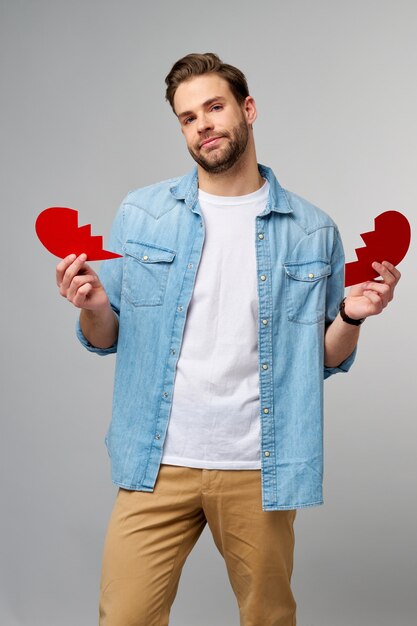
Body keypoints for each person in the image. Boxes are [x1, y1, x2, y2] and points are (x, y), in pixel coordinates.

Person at [55, 53, 401, 626]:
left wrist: (352, 315)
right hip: (156, 462)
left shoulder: (312, 230)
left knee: (268, 618)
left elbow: (321, 359)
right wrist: (92, 306)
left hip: (258, 465)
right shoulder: (141, 215)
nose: (203, 126)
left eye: (214, 108)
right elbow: (106, 336)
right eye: (188, 118)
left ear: (248, 109)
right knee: (125, 617)